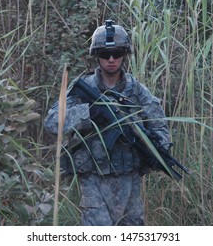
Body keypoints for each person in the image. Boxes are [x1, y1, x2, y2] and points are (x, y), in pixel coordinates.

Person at [44, 20, 173, 226]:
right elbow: (52, 122)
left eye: (117, 53)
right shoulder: (84, 88)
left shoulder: (136, 91)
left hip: (129, 178)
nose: (111, 59)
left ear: (125, 54)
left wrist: (156, 149)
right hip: (94, 179)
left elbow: (160, 128)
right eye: (104, 54)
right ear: (96, 56)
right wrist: (88, 114)